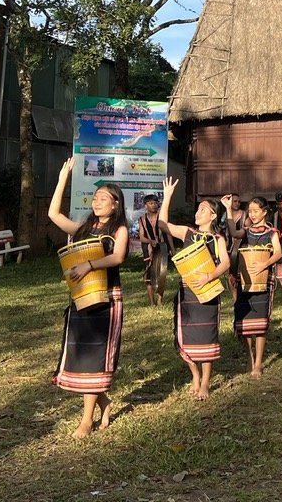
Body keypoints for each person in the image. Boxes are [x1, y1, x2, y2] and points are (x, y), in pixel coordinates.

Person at [47, 156, 128, 437]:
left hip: (107, 300)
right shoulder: (84, 229)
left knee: (95, 357)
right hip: (82, 299)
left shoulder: (119, 229)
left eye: (104, 198)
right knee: (83, 355)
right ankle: (104, 401)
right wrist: (62, 180)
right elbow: (54, 216)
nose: (97, 202)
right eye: (95, 197)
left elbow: (117, 257)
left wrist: (90, 264)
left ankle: (86, 420)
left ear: (116, 204)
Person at [159, 177, 230, 401]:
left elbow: (226, 264)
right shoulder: (188, 233)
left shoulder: (217, 238)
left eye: (204, 209)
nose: (198, 212)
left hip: (208, 293)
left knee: (206, 337)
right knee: (185, 337)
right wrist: (168, 196)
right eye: (198, 209)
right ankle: (195, 376)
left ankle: (206, 382)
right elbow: (162, 225)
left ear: (213, 216)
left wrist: (209, 276)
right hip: (186, 294)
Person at [231, 196, 282, 378]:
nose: (252, 214)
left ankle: (259, 362)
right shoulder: (246, 232)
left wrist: (264, 264)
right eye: (250, 211)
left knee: (260, 324)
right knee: (244, 323)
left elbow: (278, 252)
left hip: (262, 280)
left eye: (255, 211)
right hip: (244, 281)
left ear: (264, 212)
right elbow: (233, 232)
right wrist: (228, 210)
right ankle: (249, 357)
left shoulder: (271, 232)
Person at [138, 192, 168, 306]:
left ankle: (160, 300)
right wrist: (151, 241)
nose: (154, 205)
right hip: (148, 249)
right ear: (146, 205)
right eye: (151, 203)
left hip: (162, 248)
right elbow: (141, 237)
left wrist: (171, 248)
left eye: (156, 203)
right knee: (149, 276)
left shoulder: (162, 217)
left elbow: (168, 233)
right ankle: (151, 302)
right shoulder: (142, 220)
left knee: (162, 274)